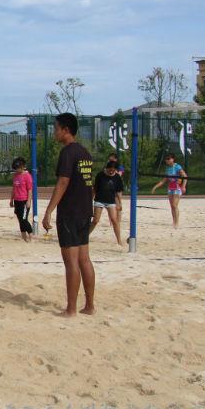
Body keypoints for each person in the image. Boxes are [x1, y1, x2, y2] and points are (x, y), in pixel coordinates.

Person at [40, 112, 96, 317]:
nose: (54, 132)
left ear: (66, 130)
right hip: (84, 211)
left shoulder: (68, 153)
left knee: (71, 262)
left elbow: (63, 182)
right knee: (84, 260)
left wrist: (49, 210)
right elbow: (88, 184)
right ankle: (89, 306)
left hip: (70, 212)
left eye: (56, 128)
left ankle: (71, 309)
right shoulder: (85, 152)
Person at [92, 160, 125, 246]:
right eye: (110, 170)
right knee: (95, 220)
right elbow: (95, 189)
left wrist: (119, 203)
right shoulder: (100, 175)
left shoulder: (117, 177)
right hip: (99, 200)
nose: (111, 172)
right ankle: (84, 237)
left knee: (114, 220)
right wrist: (90, 200)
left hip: (111, 202)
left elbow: (118, 192)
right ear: (106, 168)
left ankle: (119, 241)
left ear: (115, 170)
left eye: (113, 170)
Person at [152, 153, 187, 228]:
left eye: (168, 158)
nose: (167, 160)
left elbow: (185, 176)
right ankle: (174, 221)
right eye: (166, 159)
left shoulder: (177, 167)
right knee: (172, 206)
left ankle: (177, 222)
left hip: (177, 188)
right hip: (170, 188)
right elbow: (163, 181)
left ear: (173, 159)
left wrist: (183, 186)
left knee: (174, 205)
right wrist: (155, 187)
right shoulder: (168, 169)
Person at [10, 158, 34, 242]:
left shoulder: (27, 176)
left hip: (24, 200)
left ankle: (30, 235)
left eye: (18, 168)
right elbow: (14, 189)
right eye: (15, 168)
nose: (17, 170)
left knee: (24, 219)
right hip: (17, 200)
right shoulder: (15, 176)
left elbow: (30, 190)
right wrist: (11, 200)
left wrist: (28, 201)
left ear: (22, 166)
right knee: (20, 219)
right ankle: (24, 237)